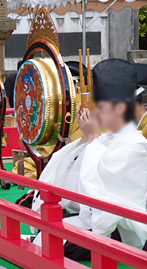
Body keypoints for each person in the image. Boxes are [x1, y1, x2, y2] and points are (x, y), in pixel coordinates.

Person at [31, 59, 147, 260]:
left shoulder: (137, 146)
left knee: (53, 242)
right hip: (95, 218)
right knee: (48, 233)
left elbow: (99, 194)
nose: (96, 112)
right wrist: (86, 139)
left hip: (121, 229)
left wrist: (92, 139)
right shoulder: (110, 138)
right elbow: (75, 183)